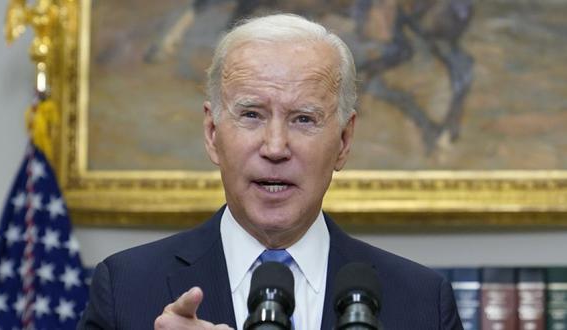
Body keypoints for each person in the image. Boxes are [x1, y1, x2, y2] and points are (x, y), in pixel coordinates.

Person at [78, 14, 462, 330]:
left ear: (344, 141)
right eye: (251, 115)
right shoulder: (125, 288)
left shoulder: (423, 302)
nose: (275, 147)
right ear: (212, 134)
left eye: (303, 119)